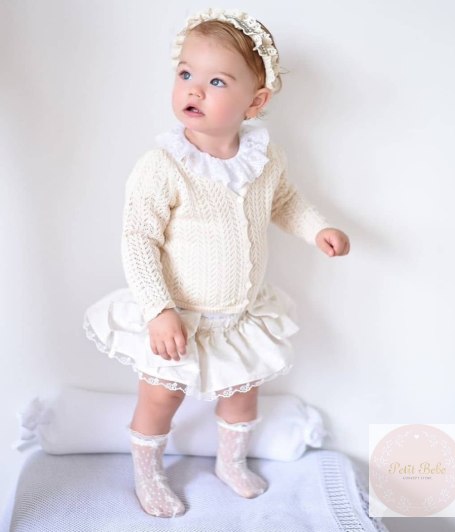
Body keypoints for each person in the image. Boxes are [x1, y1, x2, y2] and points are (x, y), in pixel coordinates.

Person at [83, 8, 350, 518]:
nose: (194, 89)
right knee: (161, 397)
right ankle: (148, 472)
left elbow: (285, 202)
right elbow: (138, 240)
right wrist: (158, 309)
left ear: (256, 101)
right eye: (186, 73)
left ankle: (231, 462)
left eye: (216, 81)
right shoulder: (163, 166)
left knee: (242, 394)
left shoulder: (265, 159)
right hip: (177, 316)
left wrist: (318, 229)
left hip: (239, 316)